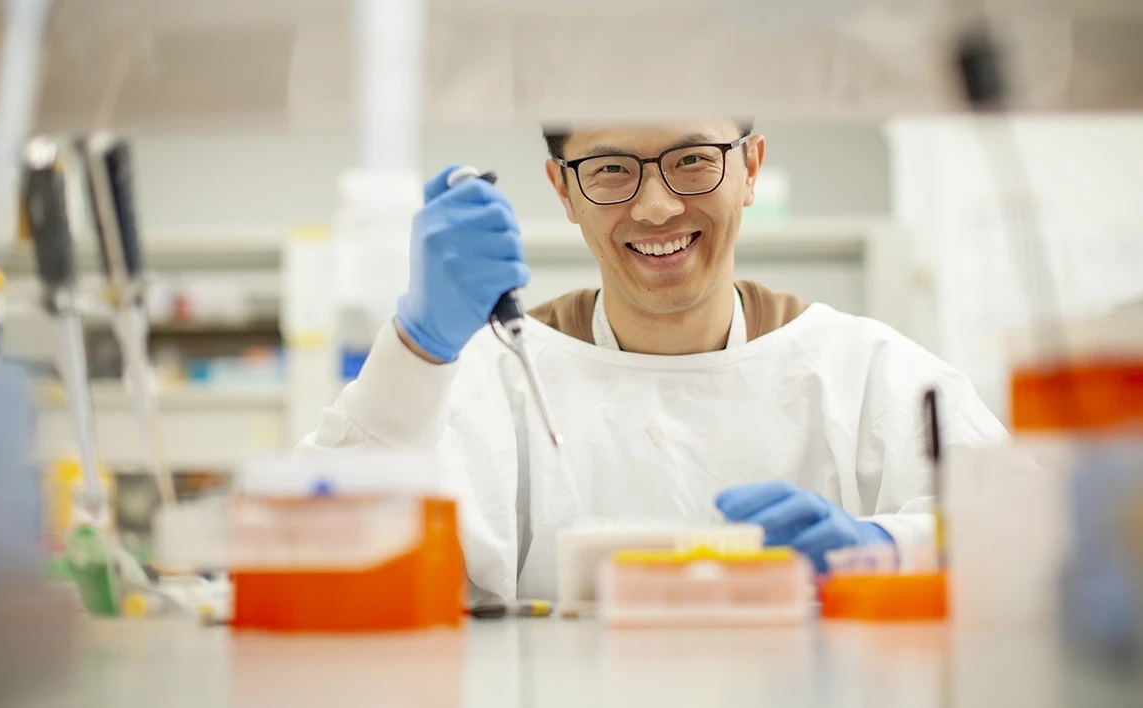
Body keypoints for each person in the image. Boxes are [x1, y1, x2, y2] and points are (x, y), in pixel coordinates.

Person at [299, 120, 1007, 602]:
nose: (658, 205)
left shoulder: (867, 369)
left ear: (751, 166)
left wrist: (881, 547)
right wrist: (417, 347)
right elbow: (313, 547)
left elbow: (1035, 536)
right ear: (563, 190)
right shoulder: (492, 375)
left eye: (693, 160)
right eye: (610, 170)